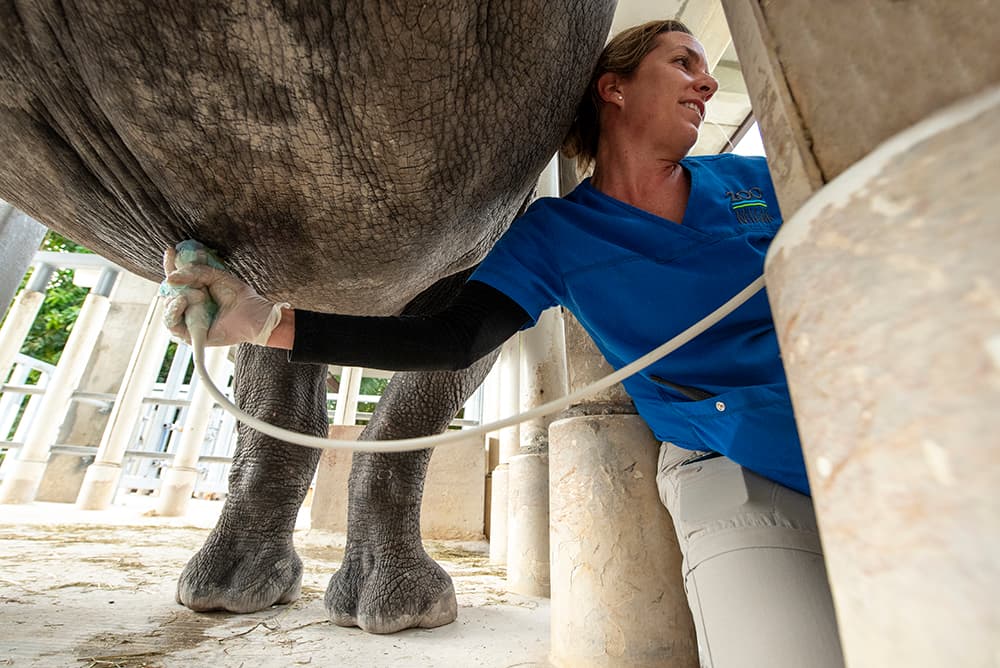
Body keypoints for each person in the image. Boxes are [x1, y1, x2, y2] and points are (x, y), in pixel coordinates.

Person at [163, 20, 844, 668]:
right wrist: (265, 324)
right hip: (732, 467)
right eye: (683, 64)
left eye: (705, 69)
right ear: (615, 87)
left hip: (854, 431)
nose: (708, 83)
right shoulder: (555, 233)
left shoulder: (758, 180)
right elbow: (452, 339)